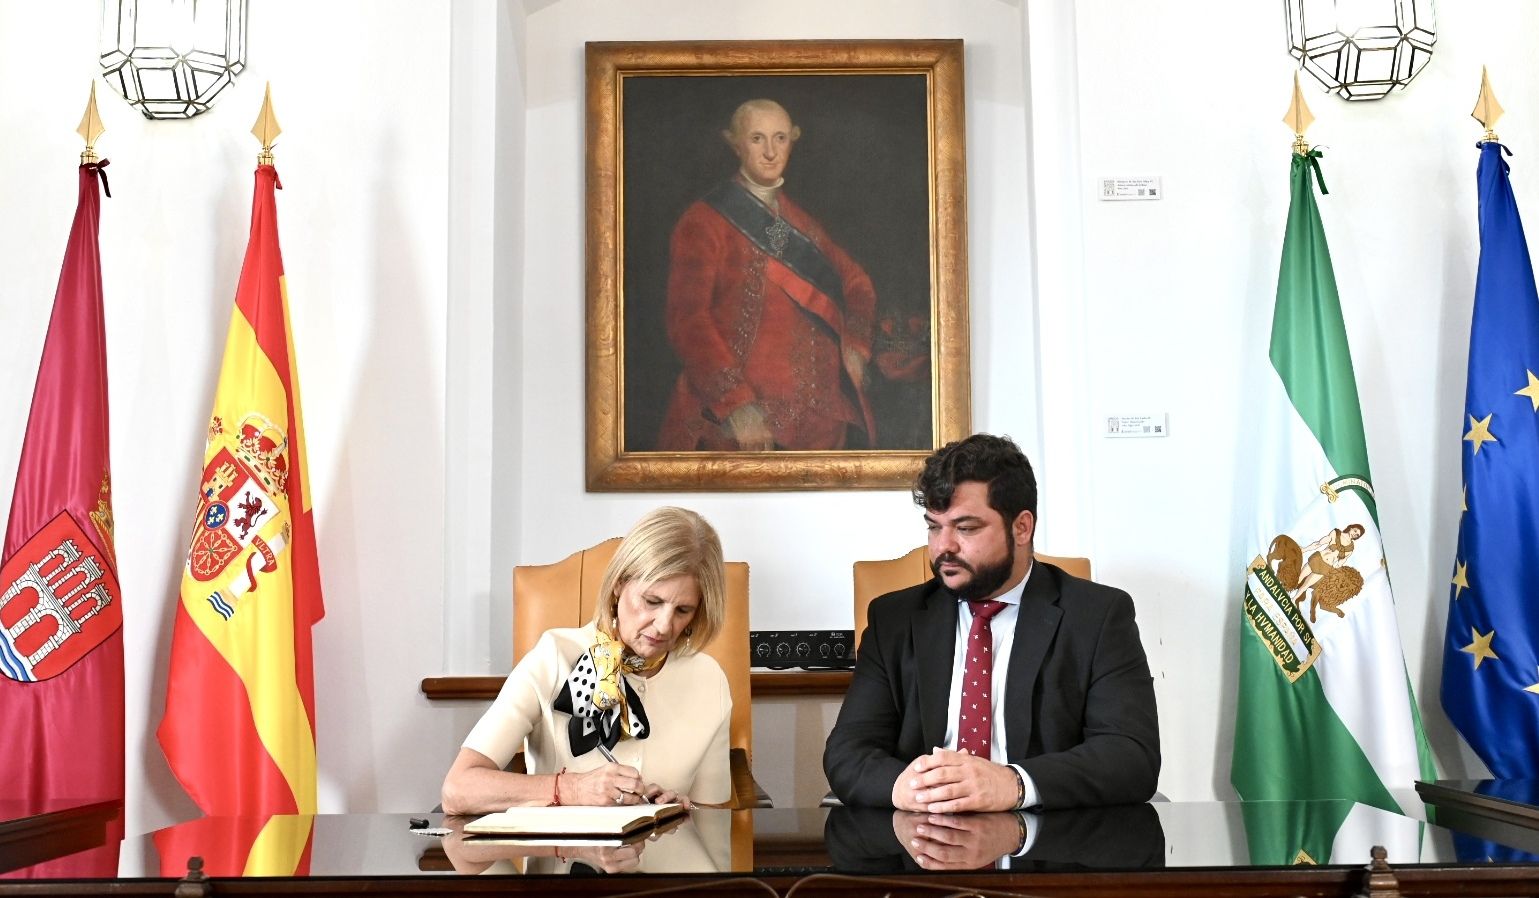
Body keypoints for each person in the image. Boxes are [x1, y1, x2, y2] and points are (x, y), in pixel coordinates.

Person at [823, 434, 1160, 810]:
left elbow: (1131, 755)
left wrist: (1014, 783)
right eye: (934, 526)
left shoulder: (1097, 616)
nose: (942, 546)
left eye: (965, 528)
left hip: (1047, 845)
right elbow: (848, 750)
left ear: (1021, 527)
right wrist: (906, 787)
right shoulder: (894, 620)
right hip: (921, 840)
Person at [441, 507, 732, 815]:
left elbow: (712, 816)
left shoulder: (710, 679)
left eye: (683, 610)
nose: (663, 625)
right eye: (652, 601)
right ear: (619, 584)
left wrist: (681, 810)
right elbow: (458, 789)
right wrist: (573, 788)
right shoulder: (553, 657)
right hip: (563, 858)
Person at [655, 98, 878, 452]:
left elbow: (857, 283)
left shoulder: (804, 224)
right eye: (758, 139)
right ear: (735, 143)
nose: (771, 152)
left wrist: (856, 345)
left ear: (793, 140)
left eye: (780, 138)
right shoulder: (703, 222)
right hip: (739, 425)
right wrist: (738, 406)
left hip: (822, 427)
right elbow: (687, 320)